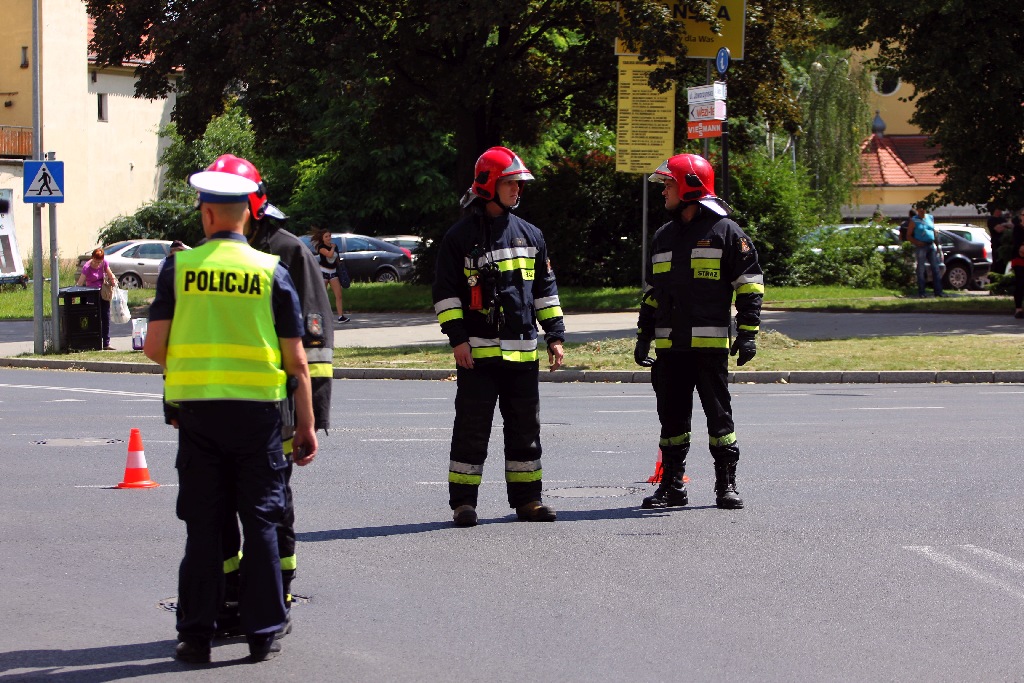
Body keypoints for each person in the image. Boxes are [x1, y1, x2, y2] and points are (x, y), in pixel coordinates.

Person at [144, 167, 318, 664]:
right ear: (249, 214)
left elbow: (155, 346)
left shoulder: (180, 268)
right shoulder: (270, 270)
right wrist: (304, 424)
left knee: (204, 526)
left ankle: (196, 635)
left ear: (206, 213)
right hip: (259, 418)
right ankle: (263, 633)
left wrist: (200, 367)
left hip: (198, 418)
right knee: (262, 521)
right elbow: (298, 362)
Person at [199, 153, 335, 639]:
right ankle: (231, 597)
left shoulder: (287, 252)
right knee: (221, 514)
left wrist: (311, 417)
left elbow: (312, 344)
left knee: (270, 510)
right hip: (220, 410)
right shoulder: (213, 254)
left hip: (274, 408)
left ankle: (279, 592)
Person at [432, 146, 565, 527]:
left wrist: (554, 334)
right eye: (510, 183)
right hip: (478, 355)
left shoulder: (531, 235)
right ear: (489, 185)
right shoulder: (459, 238)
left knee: (525, 431)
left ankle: (528, 501)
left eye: (519, 184)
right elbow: (446, 294)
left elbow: (545, 290)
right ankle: (463, 504)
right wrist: (457, 339)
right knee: (472, 430)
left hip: (523, 355)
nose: (517, 190)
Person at [634, 153, 763, 511]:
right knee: (672, 419)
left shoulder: (726, 233)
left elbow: (749, 284)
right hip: (671, 348)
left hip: (710, 350)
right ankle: (672, 486)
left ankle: (726, 486)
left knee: (719, 418)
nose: (664, 193)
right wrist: (644, 335)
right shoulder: (663, 237)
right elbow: (651, 294)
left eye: (669, 185)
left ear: (689, 186)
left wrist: (749, 331)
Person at [76, 248, 117, 350]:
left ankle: (106, 343)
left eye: (99, 262)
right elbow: (80, 282)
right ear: (92, 258)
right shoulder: (87, 267)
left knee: (105, 317)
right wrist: (75, 293)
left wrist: (114, 282)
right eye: (95, 261)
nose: (97, 264)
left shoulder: (104, 263)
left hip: (103, 293)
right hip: (92, 294)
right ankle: (94, 342)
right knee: (95, 318)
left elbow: (110, 275)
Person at [313, 229, 348, 322]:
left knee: (339, 295)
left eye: (329, 236)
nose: (329, 238)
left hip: (333, 272)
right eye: (326, 236)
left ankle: (341, 316)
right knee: (322, 295)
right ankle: (320, 316)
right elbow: (329, 255)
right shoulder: (321, 247)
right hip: (323, 272)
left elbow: (336, 258)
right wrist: (332, 248)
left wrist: (341, 268)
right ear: (322, 238)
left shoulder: (334, 246)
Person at [909, 205, 943, 297]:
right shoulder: (914, 220)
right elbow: (909, 235)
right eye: (920, 209)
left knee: (935, 268)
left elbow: (932, 230)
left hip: (930, 245)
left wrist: (936, 241)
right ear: (917, 210)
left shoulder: (930, 218)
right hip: (921, 246)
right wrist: (916, 242)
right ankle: (922, 292)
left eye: (923, 209)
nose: (922, 211)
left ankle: (938, 292)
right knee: (921, 269)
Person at [988, 208, 1012, 274]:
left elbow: (1011, 226)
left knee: (1004, 264)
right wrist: (1005, 225)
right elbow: (998, 229)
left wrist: (1004, 225)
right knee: (997, 264)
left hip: (1004, 245)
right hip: (996, 245)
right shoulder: (991, 220)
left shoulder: (1002, 219)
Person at [1010, 208, 1024, 319]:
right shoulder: (1017, 229)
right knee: (1020, 283)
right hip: (1019, 259)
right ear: (1020, 217)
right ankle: (1018, 309)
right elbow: (1018, 245)